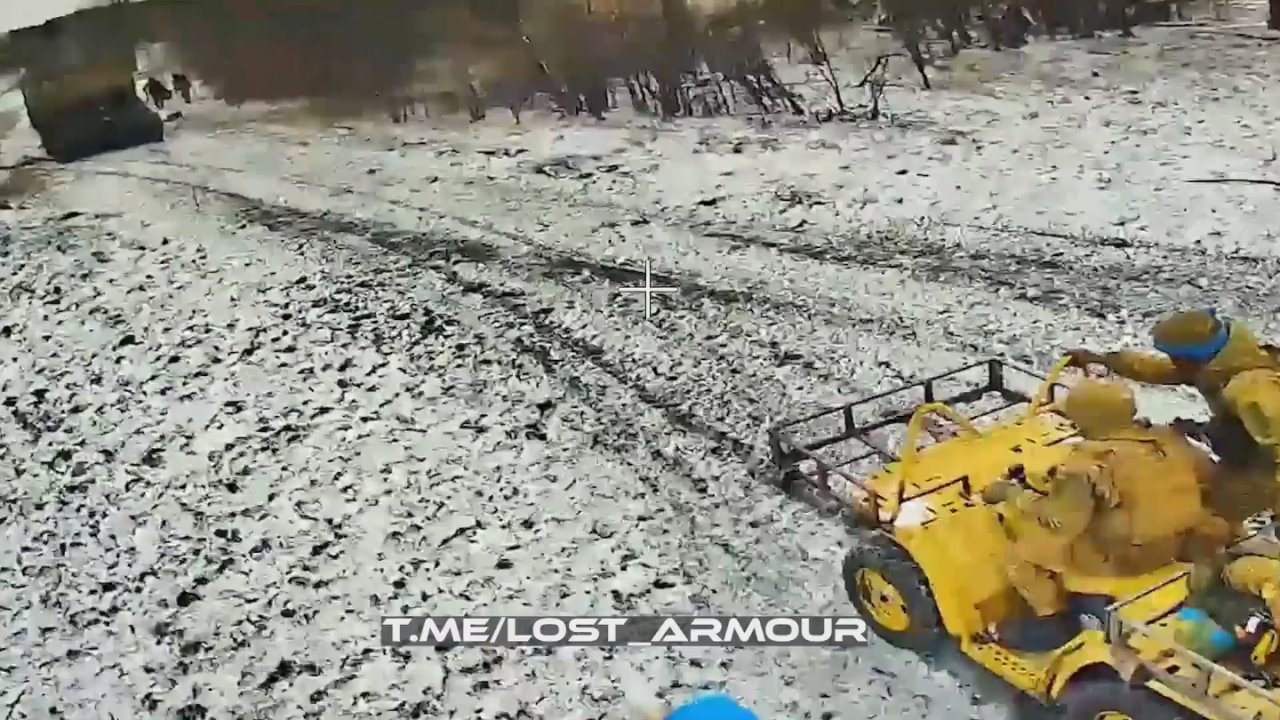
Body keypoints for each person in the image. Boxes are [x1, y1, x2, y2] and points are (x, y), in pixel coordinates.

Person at [983, 379, 1227, 645]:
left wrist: (1012, 494)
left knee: (1023, 552)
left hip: (1118, 560)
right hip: (1170, 545)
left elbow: (1060, 521)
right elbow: (1209, 478)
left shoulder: (1088, 463)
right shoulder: (1169, 442)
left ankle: (1050, 619)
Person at [1064, 308, 1280, 525]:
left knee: (1212, 517)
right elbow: (1159, 370)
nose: (1173, 362)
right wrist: (1106, 360)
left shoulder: (1252, 386)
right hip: (1249, 439)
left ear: (1190, 357)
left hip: (1267, 463)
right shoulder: (1220, 362)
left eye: (1175, 357)